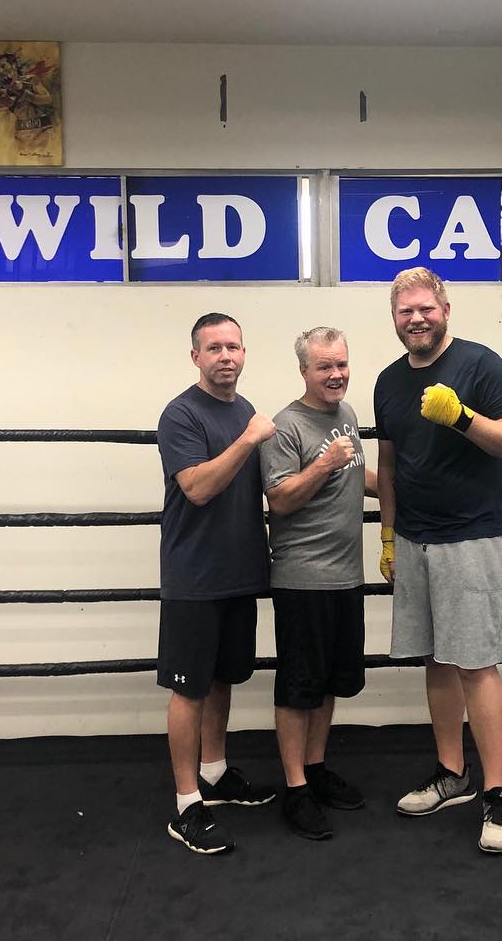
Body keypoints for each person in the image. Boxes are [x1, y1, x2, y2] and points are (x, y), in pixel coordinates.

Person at [374, 268, 502, 854]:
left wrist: (463, 418)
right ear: (394, 318)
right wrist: (387, 536)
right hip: (414, 540)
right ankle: (452, 773)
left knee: (476, 664)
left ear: (444, 308)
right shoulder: (388, 382)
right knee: (435, 661)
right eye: (404, 311)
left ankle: (496, 792)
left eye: (424, 309)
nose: (415, 319)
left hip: (472, 536)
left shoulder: (481, 364)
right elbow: (388, 466)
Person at [156, 312, 278, 855]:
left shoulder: (247, 411)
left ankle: (215, 770)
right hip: (194, 576)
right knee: (189, 688)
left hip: (238, 573)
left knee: (224, 678)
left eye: (234, 347)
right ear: (196, 357)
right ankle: (186, 803)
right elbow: (199, 488)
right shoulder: (181, 415)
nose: (226, 356)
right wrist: (249, 440)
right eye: (214, 348)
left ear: (244, 353)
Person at [259, 327, 377, 840]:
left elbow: (361, 476)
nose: (336, 375)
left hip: (347, 575)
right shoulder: (286, 427)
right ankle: (295, 788)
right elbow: (280, 499)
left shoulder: (347, 416)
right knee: (298, 685)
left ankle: (316, 767)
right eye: (325, 367)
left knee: (332, 680)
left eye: (342, 365)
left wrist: (415, 481)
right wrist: (325, 462)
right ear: (304, 371)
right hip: (302, 578)